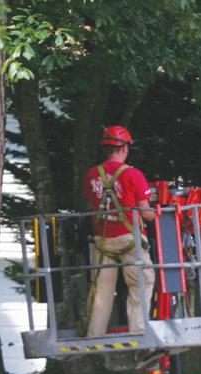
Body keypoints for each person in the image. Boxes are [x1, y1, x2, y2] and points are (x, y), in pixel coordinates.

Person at [81, 125, 156, 337]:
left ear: (105, 149)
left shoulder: (92, 174)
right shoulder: (133, 174)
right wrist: (157, 212)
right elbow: (146, 213)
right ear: (124, 148)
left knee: (101, 291)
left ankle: (94, 335)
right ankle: (138, 332)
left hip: (102, 241)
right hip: (129, 240)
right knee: (141, 282)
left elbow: (91, 203)